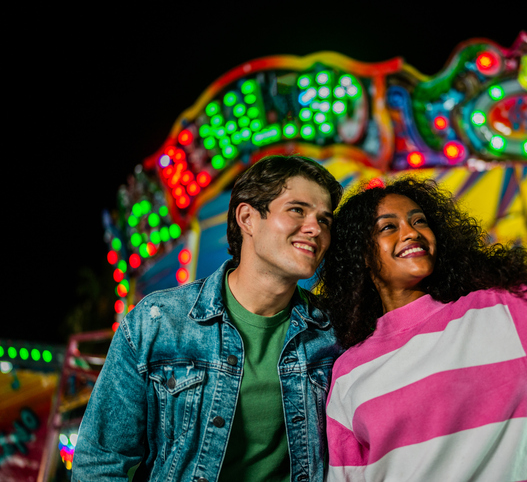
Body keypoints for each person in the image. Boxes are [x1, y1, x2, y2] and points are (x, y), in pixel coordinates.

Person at [318, 84, 527, 481]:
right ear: (361, 255)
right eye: (387, 227)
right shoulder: (348, 371)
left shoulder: (497, 316)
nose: (410, 232)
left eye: (419, 220)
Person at [73, 155, 344, 482]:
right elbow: (100, 462)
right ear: (247, 218)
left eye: (325, 220)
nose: (315, 228)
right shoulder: (158, 323)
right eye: (297, 210)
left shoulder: (334, 332)